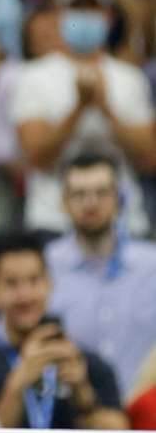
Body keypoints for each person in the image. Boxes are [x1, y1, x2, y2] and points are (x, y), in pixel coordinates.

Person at [11, 0, 156, 236]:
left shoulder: (130, 78)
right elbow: (36, 156)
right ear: (59, 14)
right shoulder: (33, 77)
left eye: (93, 8)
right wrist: (78, 108)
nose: (85, 15)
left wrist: (105, 108)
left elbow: (150, 157)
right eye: (77, 7)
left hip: (125, 222)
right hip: (53, 221)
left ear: (109, 15)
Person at [0, 232, 127, 432]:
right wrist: (20, 381)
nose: (25, 295)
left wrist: (83, 395)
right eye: (11, 283)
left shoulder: (88, 365)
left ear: (50, 284)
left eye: (34, 280)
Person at [45, 153, 156, 400]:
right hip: (75, 410)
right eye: (79, 194)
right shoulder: (45, 267)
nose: (91, 203)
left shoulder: (152, 267)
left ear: (120, 200)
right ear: (63, 203)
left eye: (102, 193)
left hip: (147, 409)